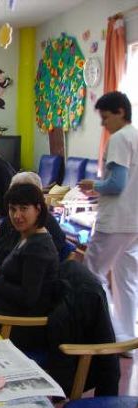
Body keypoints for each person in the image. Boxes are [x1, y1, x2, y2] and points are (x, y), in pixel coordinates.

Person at [78, 91, 138, 346]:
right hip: (133, 220)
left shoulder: (120, 138)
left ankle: (104, 331)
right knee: (126, 279)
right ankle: (126, 337)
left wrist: (94, 184)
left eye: (104, 118)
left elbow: (116, 183)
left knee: (92, 275)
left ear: (120, 112)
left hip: (115, 220)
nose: (103, 125)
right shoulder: (135, 135)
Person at [0, 184, 59, 320]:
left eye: (23, 209)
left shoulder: (38, 248)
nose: (17, 215)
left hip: (17, 321)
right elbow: (17, 270)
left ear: (38, 209)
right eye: (12, 209)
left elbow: (27, 299)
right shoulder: (27, 235)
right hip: (3, 305)